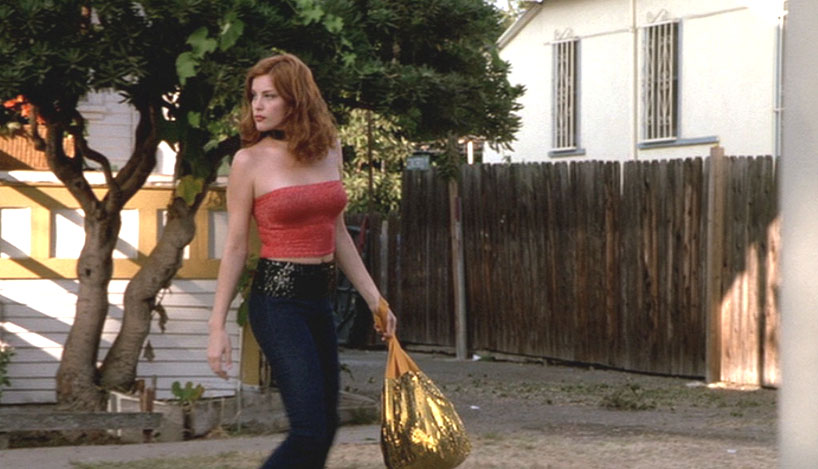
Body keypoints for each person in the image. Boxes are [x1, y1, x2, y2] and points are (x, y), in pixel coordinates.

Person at [207, 53, 397, 469]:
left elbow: (338, 232)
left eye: (269, 96)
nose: (257, 106)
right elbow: (236, 247)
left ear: (296, 99)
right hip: (278, 303)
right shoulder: (248, 161)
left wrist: (374, 299)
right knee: (309, 430)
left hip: (318, 301)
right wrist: (217, 326)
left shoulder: (329, 150)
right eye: (254, 96)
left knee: (325, 428)